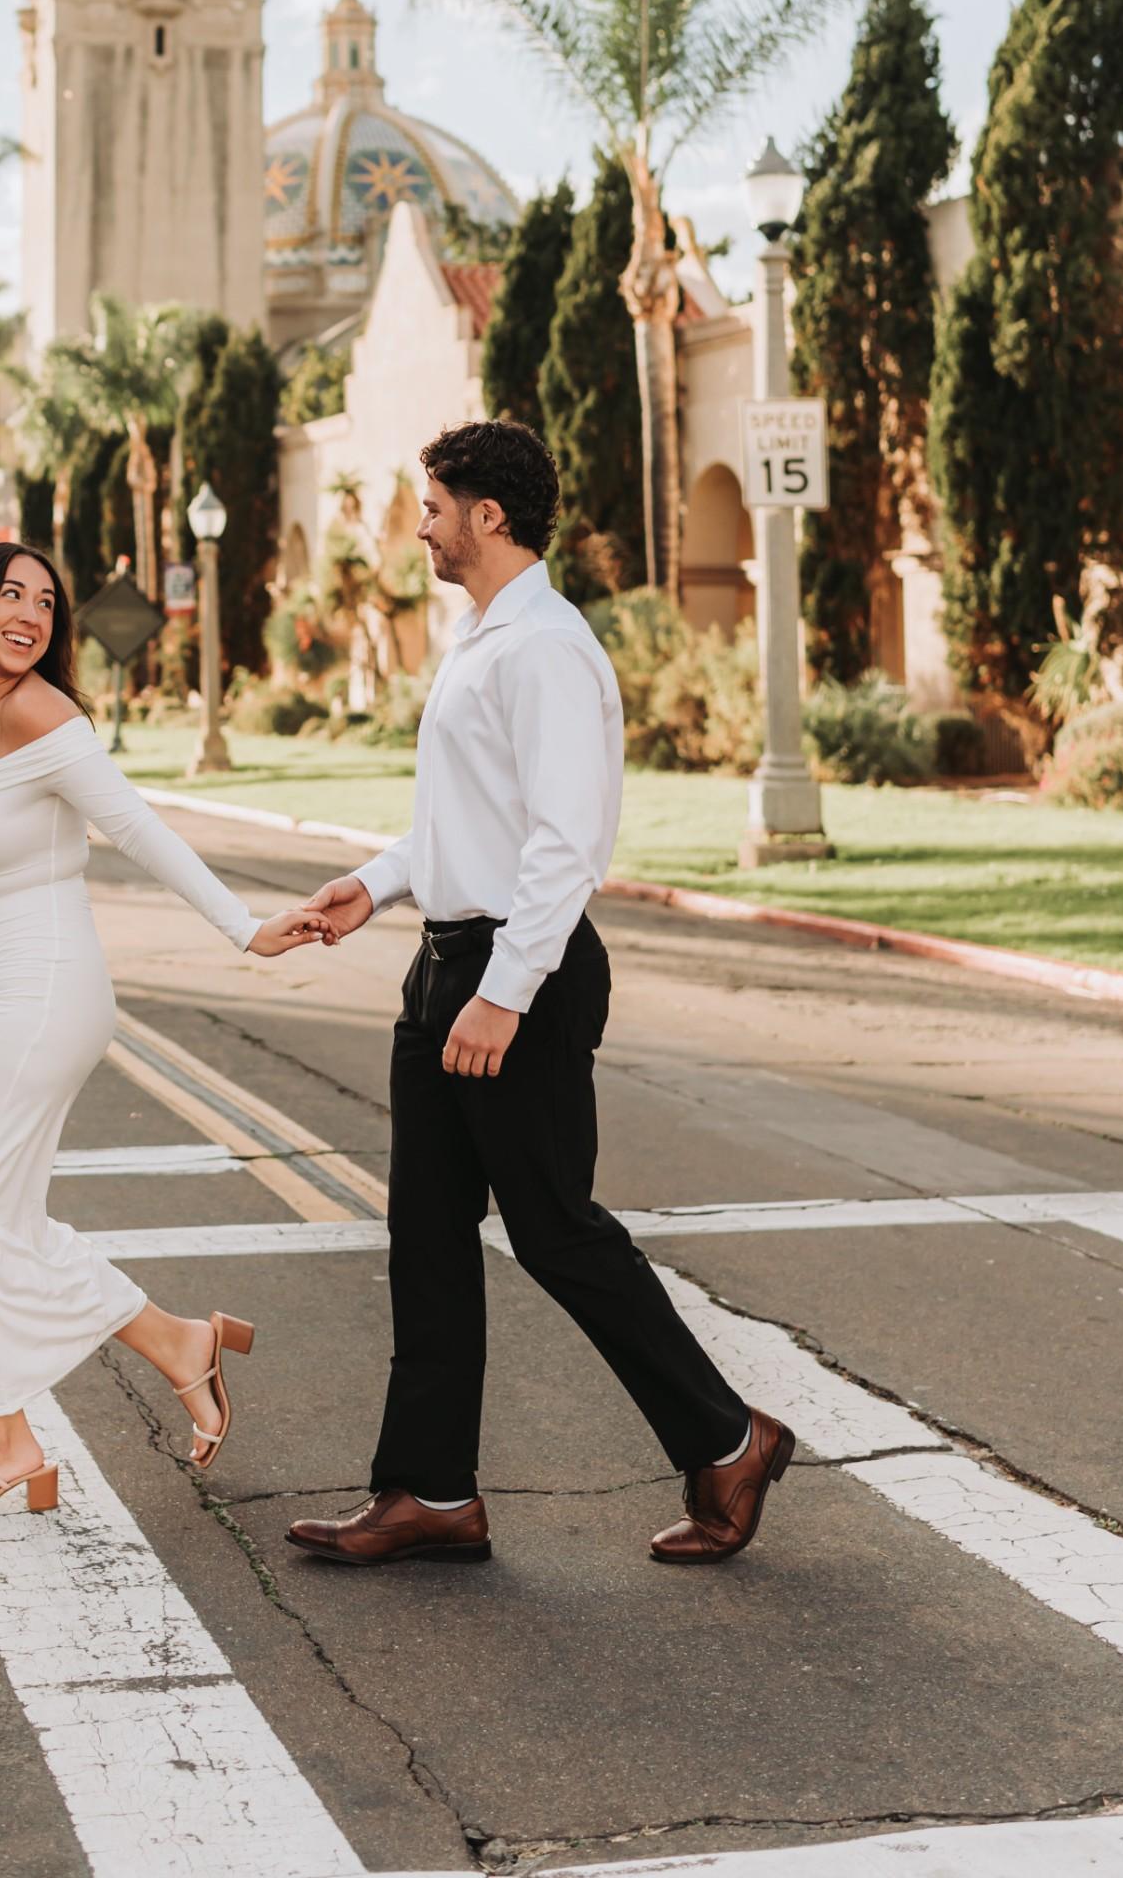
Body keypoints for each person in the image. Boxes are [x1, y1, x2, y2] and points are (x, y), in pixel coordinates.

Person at [287, 419, 792, 1571]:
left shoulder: (545, 649)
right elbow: (457, 825)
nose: (419, 524)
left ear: (487, 516)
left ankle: (729, 1440)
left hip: (520, 971)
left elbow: (566, 845)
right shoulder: (478, 640)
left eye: (432, 505)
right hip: (445, 966)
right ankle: (428, 1491)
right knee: (423, 1231)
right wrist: (371, 887)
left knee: (556, 1230)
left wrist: (506, 991)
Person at [0, 540, 328, 1521]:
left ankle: (5, 1440)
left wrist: (242, 928)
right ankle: (170, 1348)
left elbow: (137, 827)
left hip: (45, 987)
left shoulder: (48, 715)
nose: (31, 613)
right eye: (12, 594)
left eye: (46, 602)